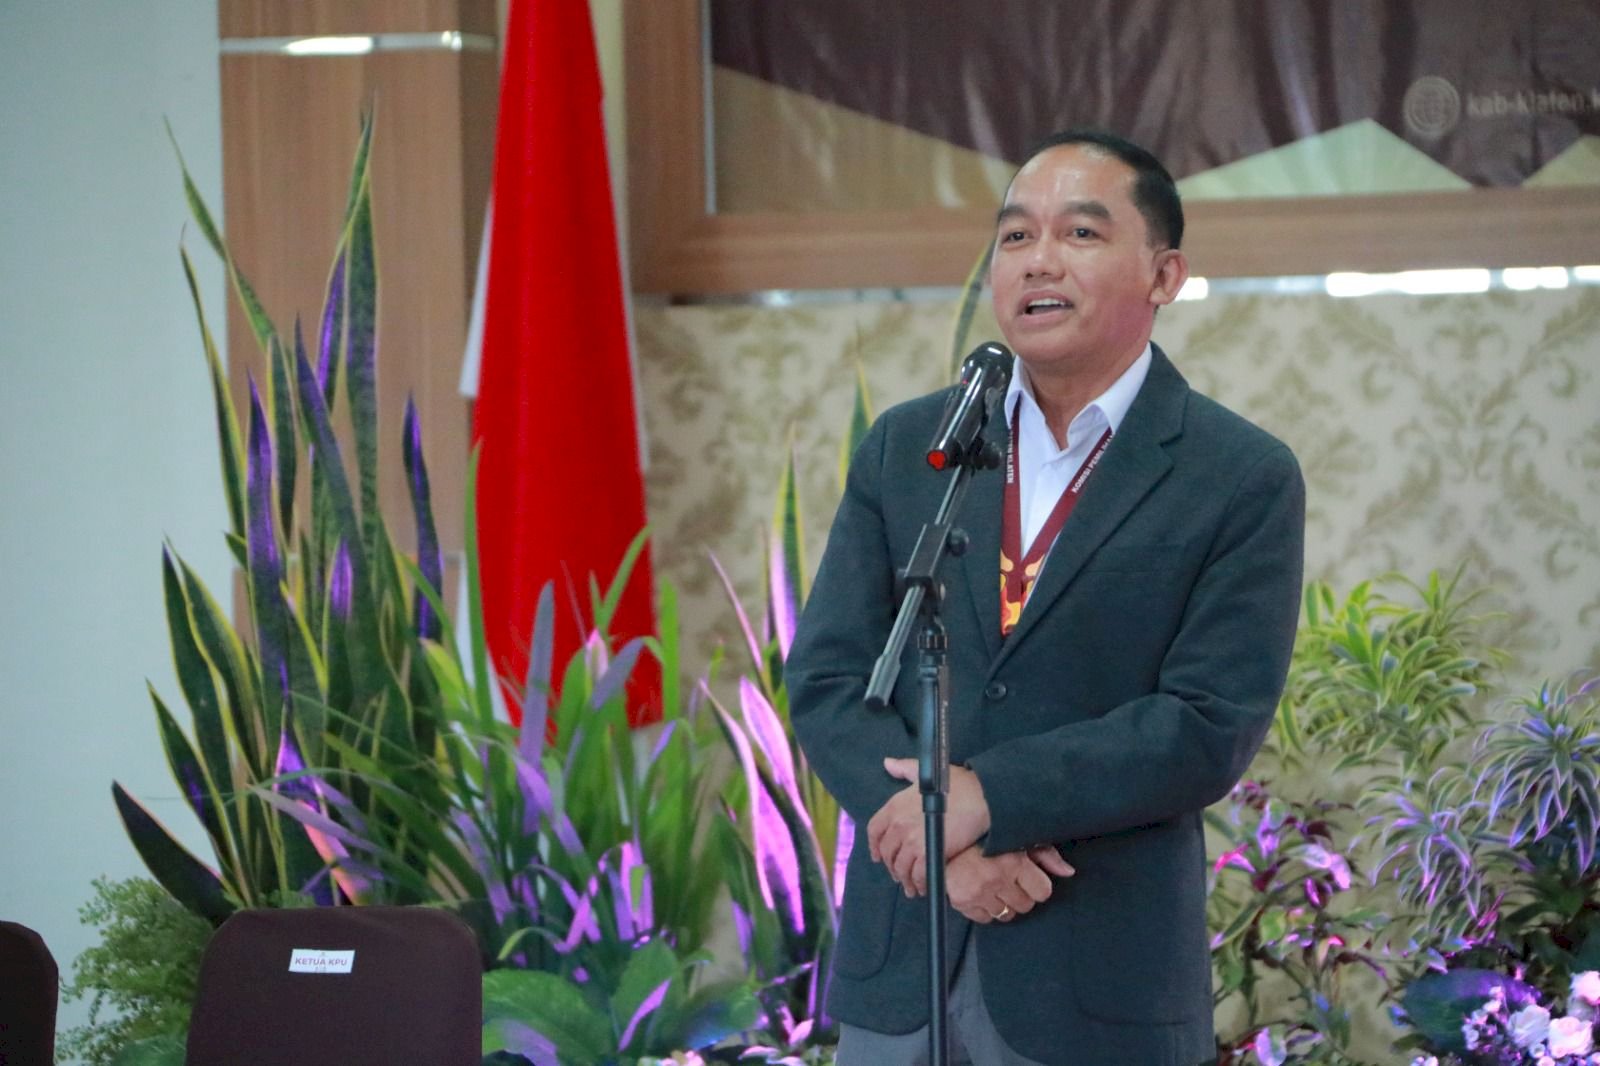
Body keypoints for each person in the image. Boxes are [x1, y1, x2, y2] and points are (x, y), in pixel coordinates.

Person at [786, 129, 1306, 1065]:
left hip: (1097, 980)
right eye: (1017, 236)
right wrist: (944, 842)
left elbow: (1204, 722)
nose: (1039, 260)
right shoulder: (914, 449)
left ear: (1164, 275)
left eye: (1081, 233)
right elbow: (831, 676)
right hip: (904, 968)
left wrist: (992, 797)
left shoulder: (1238, 475)